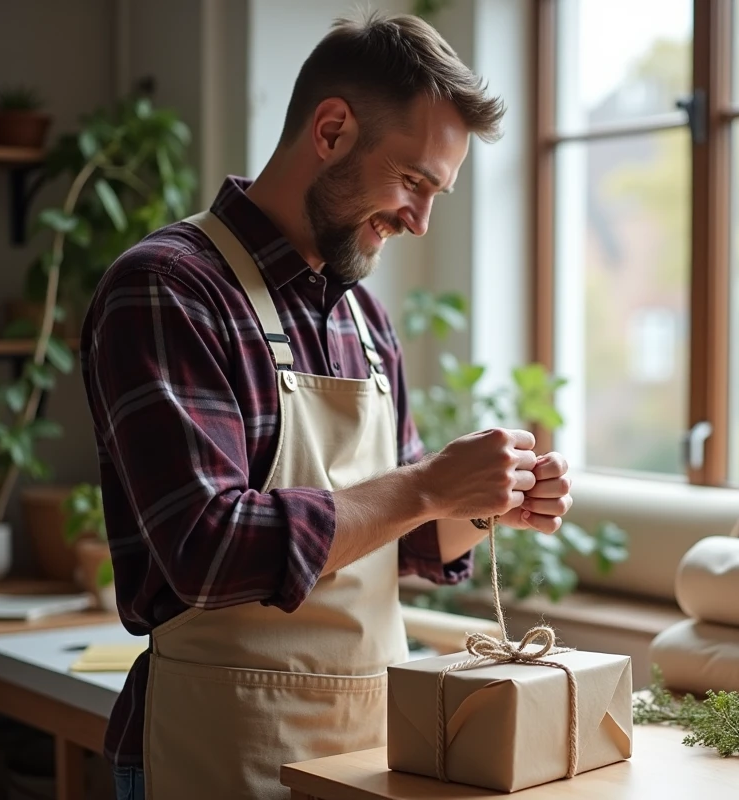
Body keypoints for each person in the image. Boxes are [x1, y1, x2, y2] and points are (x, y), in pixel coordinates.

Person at [80, 11, 573, 800]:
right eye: (413, 182)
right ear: (333, 130)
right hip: (219, 747)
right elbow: (207, 551)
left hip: (368, 753)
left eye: (438, 194)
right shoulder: (168, 287)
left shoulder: (364, 320)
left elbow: (389, 542)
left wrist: (480, 504)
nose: (420, 221)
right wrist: (425, 487)